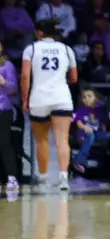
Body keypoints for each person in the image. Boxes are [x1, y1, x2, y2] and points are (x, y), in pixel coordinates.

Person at [20, 19, 76, 190]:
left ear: (39, 33)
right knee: (62, 140)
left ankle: (43, 177)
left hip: (39, 98)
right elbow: (74, 78)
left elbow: (24, 77)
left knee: (42, 141)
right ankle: (63, 178)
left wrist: (24, 100)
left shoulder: (31, 49)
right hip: (61, 97)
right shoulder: (67, 49)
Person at [70, 89, 109, 180]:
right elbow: (78, 123)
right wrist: (85, 127)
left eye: (89, 96)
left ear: (95, 98)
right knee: (90, 136)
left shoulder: (100, 109)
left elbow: (103, 124)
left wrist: (103, 128)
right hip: (83, 132)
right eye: (84, 97)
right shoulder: (80, 110)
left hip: (96, 132)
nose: (86, 99)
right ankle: (79, 161)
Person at [0, 57, 20, 191]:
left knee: (4, 143)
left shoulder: (7, 65)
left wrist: (3, 82)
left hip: (2, 108)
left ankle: (11, 177)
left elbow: (13, 89)